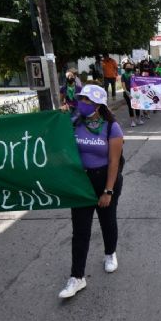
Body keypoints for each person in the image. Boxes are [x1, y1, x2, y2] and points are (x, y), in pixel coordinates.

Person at [59, 85, 124, 299]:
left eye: (87, 100)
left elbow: (114, 162)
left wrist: (108, 191)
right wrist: (59, 118)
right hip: (81, 182)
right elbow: (57, 140)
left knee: (107, 220)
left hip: (105, 179)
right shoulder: (74, 122)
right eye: (81, 99)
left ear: (98, 105)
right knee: (80, 230)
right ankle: (76, 277)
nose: (82, 103)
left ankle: (110, 253)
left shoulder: (112, 127)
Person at [121, 61, 143, 127]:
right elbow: (123, 85)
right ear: (124, 68)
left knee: (137, 106)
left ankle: (138, 120)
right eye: (127, 67)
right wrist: (127, 93)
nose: (128, 67)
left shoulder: (134, 74)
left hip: (135, 93)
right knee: (130, 107)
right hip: (127, 94)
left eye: (129, 66)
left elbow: (139, 83)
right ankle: (132, 121)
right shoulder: (123, 75)